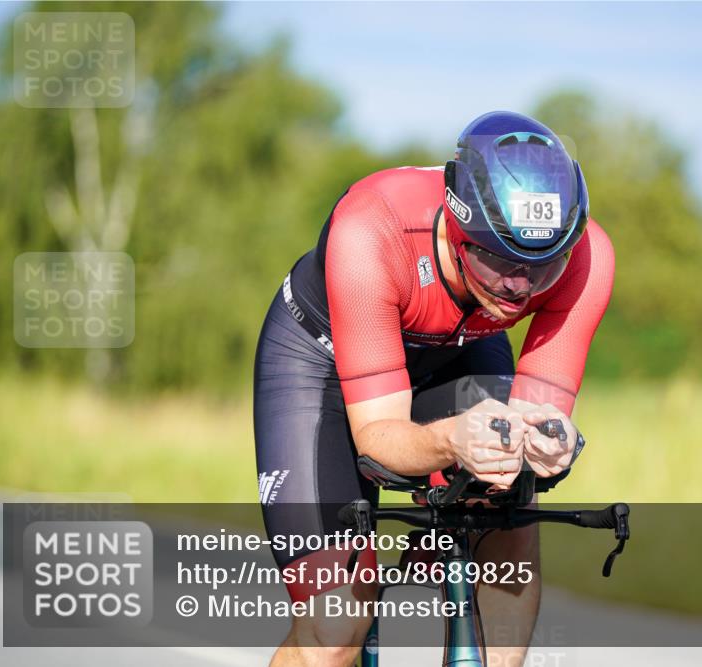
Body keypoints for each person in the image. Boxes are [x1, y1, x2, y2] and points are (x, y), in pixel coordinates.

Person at [254, 110, 615, 667]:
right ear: (456, 225)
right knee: (335, 629)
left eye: (541, 267)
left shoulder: (586, 258)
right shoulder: (372, 227)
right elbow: (377, 436)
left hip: (459, 349)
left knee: (509, 510)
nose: (518, 288)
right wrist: (452, 442)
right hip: (318, 361)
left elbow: (537, 416)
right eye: (497, 260)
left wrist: (551, 441)